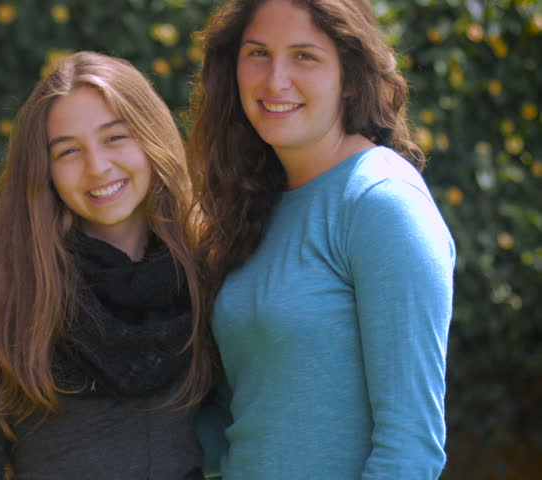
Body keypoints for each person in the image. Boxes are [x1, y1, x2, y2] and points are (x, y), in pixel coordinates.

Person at [187, 0, 456, 478]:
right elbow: (238, 416)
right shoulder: (253, 205)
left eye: (304, 56)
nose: (275, 80)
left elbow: (410, 448)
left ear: (350, 77)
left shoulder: (381, 202)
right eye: (258, 53)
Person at [0, 51, 216, 480]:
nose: (97, 167)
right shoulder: (7, 296)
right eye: (69, 151)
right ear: (45, 172)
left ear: (151, 136)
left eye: (115, 137)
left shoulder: (208, 274)